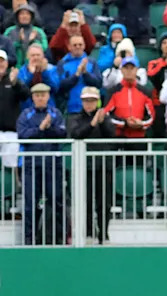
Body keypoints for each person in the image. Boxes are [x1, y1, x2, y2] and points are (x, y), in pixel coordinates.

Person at [17, 82, 67, 245]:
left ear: (48, 97)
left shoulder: (55, 113)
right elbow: (22, 135)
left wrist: (48, 127)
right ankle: (29, 239)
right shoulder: (26, 114)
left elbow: (62, 133)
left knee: (57, 201)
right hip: (32, 165)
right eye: (37, 95)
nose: (40, 98)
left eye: (43, 95)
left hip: (53, 164)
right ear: (33, 97)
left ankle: (60, 237)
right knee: (31, 202)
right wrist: (40, 128)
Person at [67, 86, 115, 244]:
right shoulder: (75, 118)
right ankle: (88, 233)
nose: (89, 104)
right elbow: (76, 134)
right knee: (85, 201)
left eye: (92, 100)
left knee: (104, 202)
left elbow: (111, 135)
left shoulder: (105, 117)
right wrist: (92, 124)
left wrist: (101, 123)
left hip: (103, 166)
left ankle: (103, 234)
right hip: (84, 167)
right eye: (86, 100)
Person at [56, 34, 102, 118]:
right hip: (70, 110)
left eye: (80, 44)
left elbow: (98, 83)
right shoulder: (62, 63)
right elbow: (60, 86)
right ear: (69, 47)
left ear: (84, 46)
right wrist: (76, 75)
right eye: (75, 45)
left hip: (91, 110)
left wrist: (85, 73)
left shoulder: (92, 62)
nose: (78, 47)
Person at [0, 50, 28, 169]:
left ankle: (12, 187)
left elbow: (25, 95)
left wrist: (15, 83)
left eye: (2, 61)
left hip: (10, 132)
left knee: (11, 168)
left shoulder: (13, 80)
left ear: (7, 63)